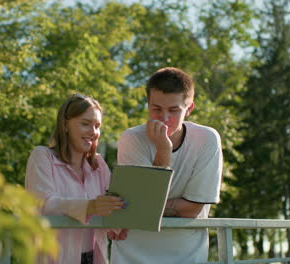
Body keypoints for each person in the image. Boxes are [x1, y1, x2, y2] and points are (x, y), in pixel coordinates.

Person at [110, 67, 223, 263]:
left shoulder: (207, 139)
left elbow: (192, 209)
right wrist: (163, 152)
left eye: (173, 110)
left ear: (189, 109)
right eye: (156, 109)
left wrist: (147, 207)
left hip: (188, 256)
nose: (163, 118)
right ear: (147, 106)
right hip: (132, 255)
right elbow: (144, 208)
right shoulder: (131, 138)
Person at [25, 94, 125, 264]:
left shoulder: (99, 165)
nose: (93, 132)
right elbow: (42, 205)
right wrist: (90, 207)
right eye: (85, 124)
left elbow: (110, 205)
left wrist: (117, 224)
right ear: (65, 124)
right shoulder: (43, 156)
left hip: (94, 258)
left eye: (97, 126)